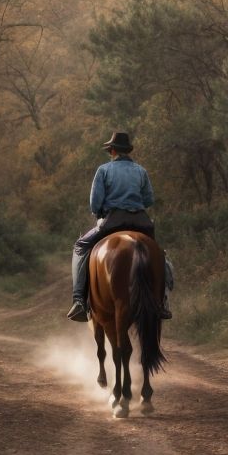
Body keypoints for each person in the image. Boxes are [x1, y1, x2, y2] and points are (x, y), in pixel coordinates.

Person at [67, 132, 173, 322]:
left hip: (113, 220)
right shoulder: (141, 171)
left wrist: (100, 212)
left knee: (80, 246)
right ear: (127, 151)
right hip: (141, 222)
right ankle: (163, 301)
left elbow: (94, 203)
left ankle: (78, 301)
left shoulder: (103, 170)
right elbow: (149, 199)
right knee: (159, 254)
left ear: (113, 151)